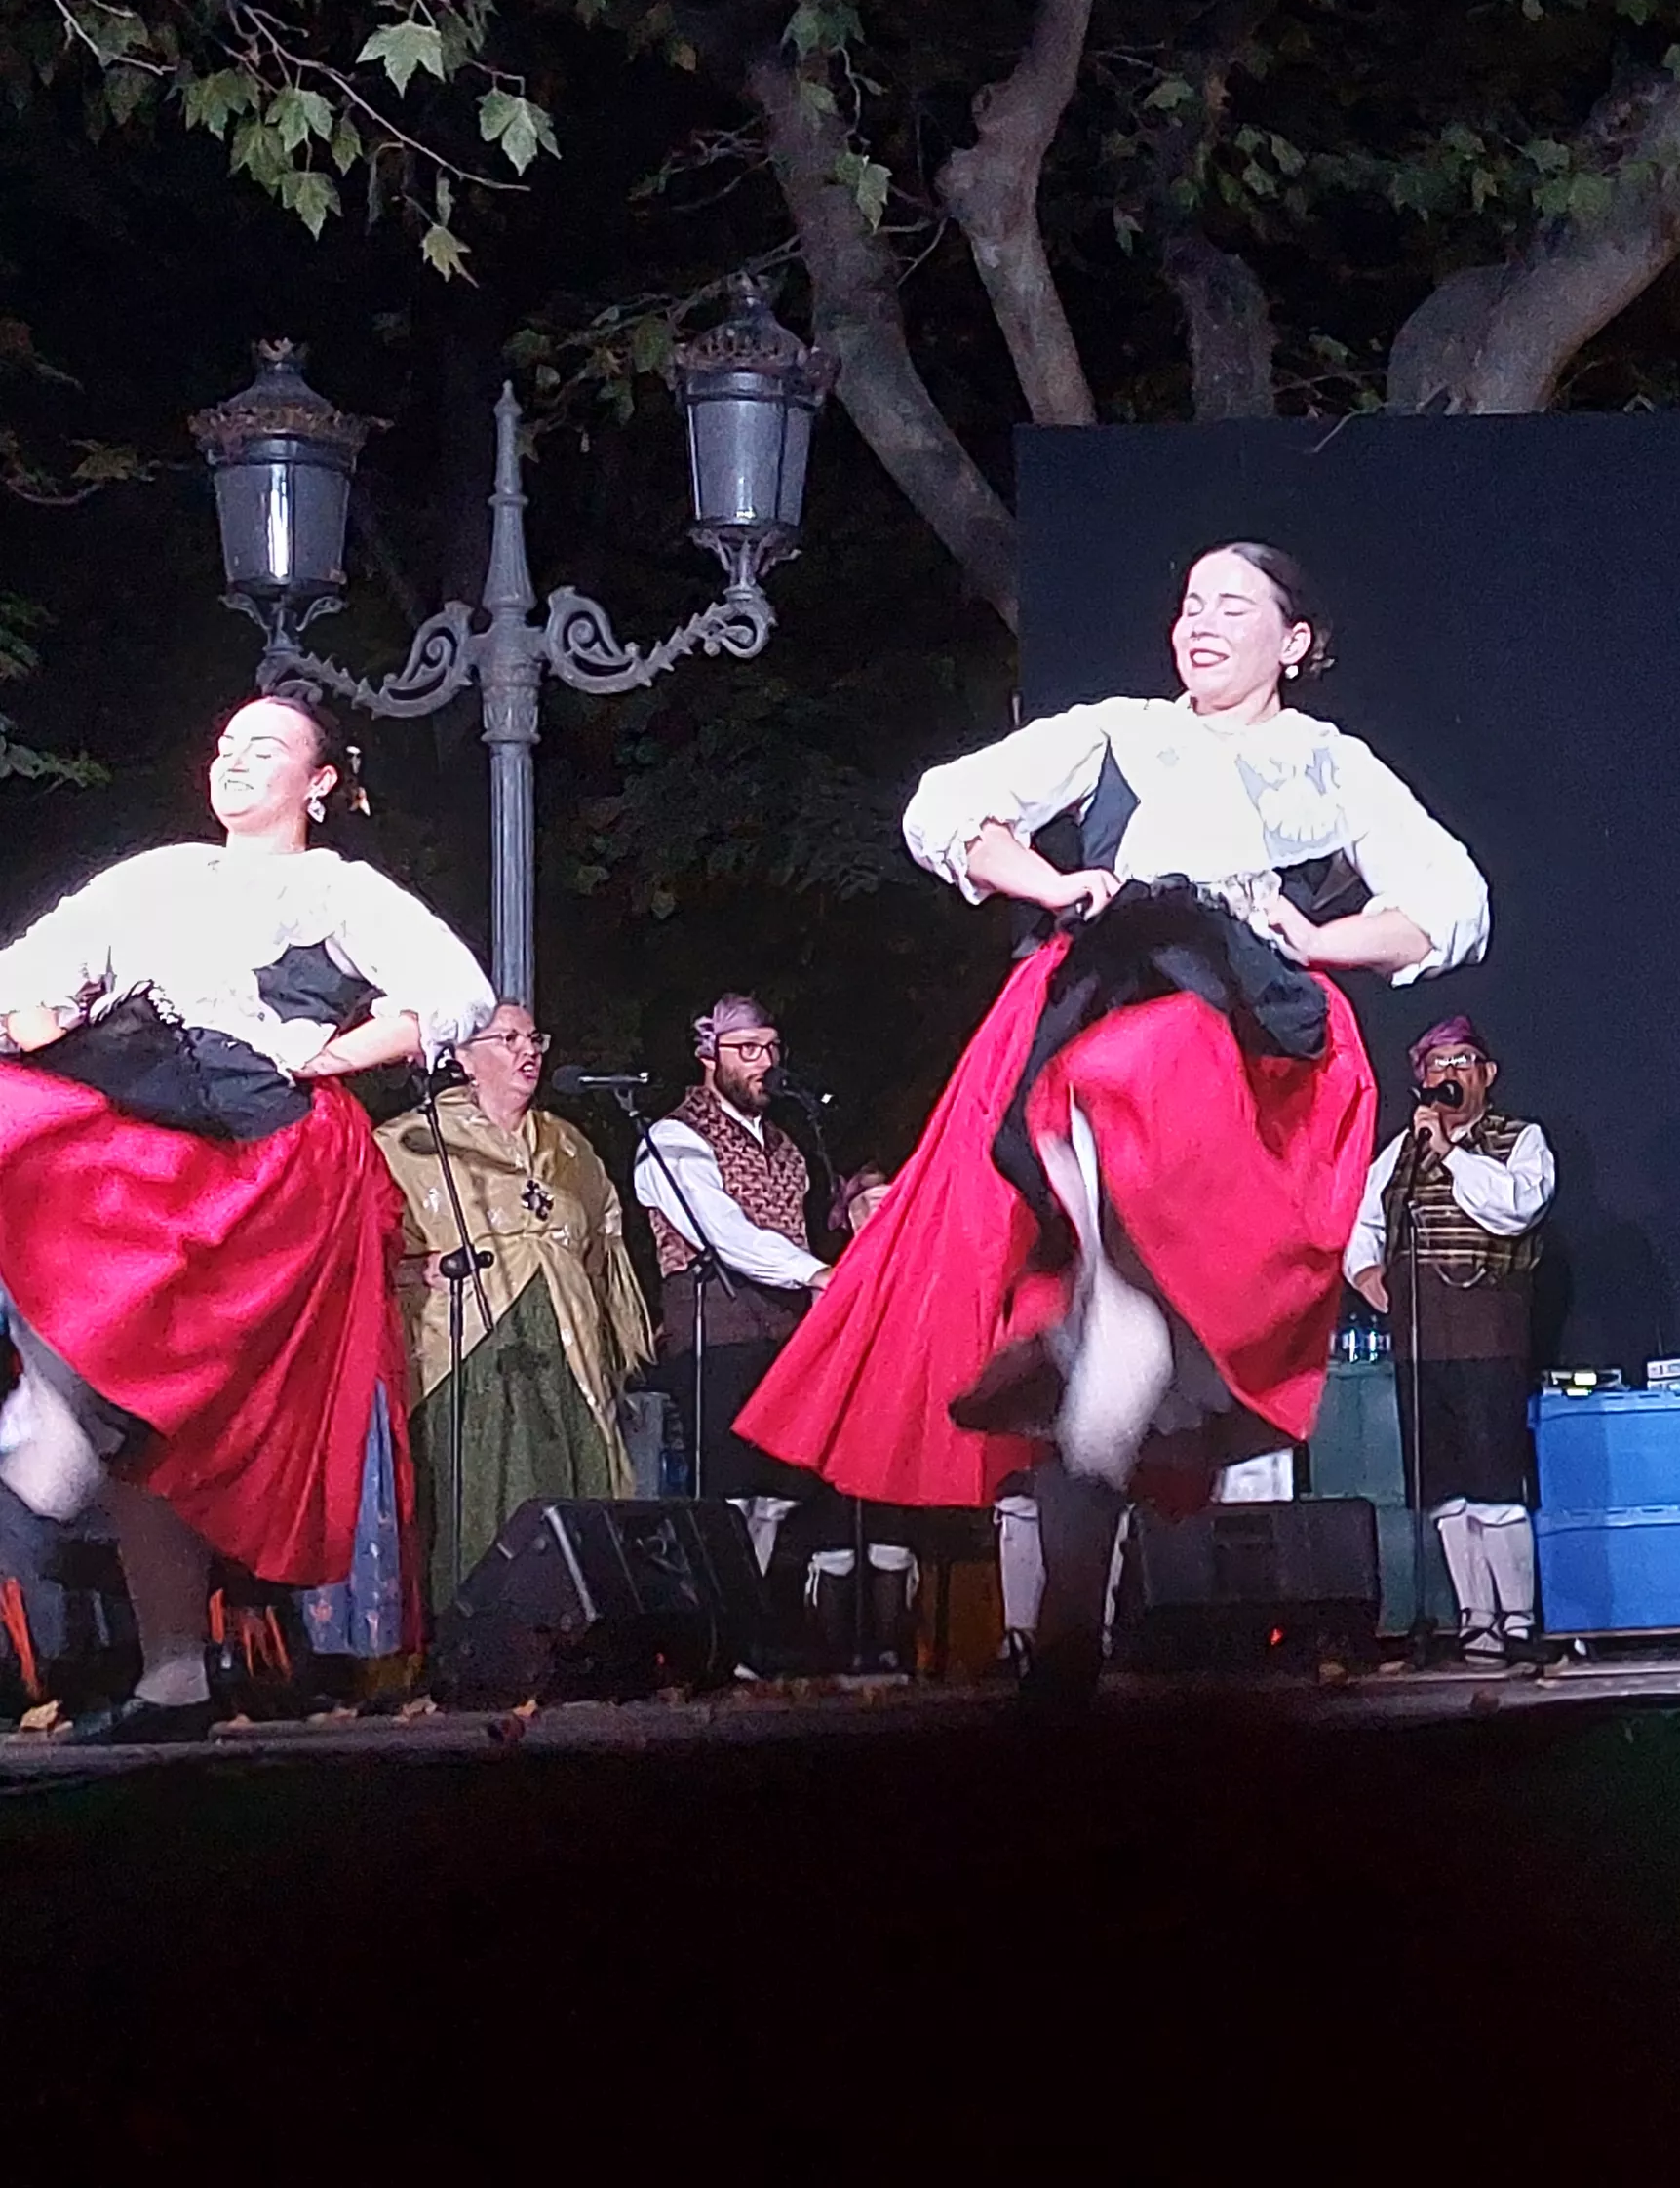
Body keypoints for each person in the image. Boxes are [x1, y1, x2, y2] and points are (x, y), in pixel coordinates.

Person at [737, 543, 1489, 1703]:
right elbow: (952, 808)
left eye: (1233, 606)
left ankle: (1114, 1298)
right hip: (1105, 990)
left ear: (1293, 642)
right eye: (1189, 601)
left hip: (1241, 1024)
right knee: (1093, 1339)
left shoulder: (1331, 769)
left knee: (1125, 1319)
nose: (1201, 622)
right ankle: (1071, 1604)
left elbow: (1446, 903)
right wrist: (1049, 885)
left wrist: (1316, 938)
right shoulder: (1120, 729)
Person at [0, 695, 492, 1740]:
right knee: (132, 1400)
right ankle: (164, 1658)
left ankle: (73, 1504)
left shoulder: (334, 890)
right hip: (134, 1135)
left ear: (319, 782)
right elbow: (30, 974)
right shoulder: (157, 878)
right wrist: (63, 1039)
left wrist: (327, 1053)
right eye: (223, 746)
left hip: (256, 1154)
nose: (232, 763)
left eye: (263, 749)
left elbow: (454, 993)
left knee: (161, 1405)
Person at [382, 1002, 659, 1603]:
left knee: (568, 1491)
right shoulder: (410, 1142)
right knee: (480, 1488)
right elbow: (366, 1253)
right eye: (507, 1038)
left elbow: (600, 1247)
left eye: (534, 1037)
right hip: (463, 1355)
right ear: (461, 1057)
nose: (527, 1050)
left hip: (567, 1350)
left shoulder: (569, 1146)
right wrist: (414, 1269)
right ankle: (467, 1634)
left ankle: (576, 1635)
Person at [1343, 1012, 1558, 1660]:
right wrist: (1367, 1273)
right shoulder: (1398, 1155)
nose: (1451, 1074)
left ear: (1487, 1075)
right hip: (1421, 1336)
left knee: (1495, 1482)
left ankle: (1518, 1619)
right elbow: (1361, 1219)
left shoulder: (1519, 1140)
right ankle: (1474, 1619)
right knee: (1445, 1492)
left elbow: (1516, 1205)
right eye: (1438, 1065)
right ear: (1420, 1082)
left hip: (1487, 1331)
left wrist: (1452, 1153)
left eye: (1464, 1061)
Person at [634, 994, 830, 1528]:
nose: (764, 1062)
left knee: (778, 1501)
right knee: (730, 1498)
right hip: (715, 1338)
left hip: (784, 1337)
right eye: (746, 1049)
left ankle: (761, 1610)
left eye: (770, 1048)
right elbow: (724, 1232)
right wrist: (813, 1273)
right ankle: (719, 1612)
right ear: (708, 1056)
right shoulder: (672, 1136)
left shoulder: (787, 1146)